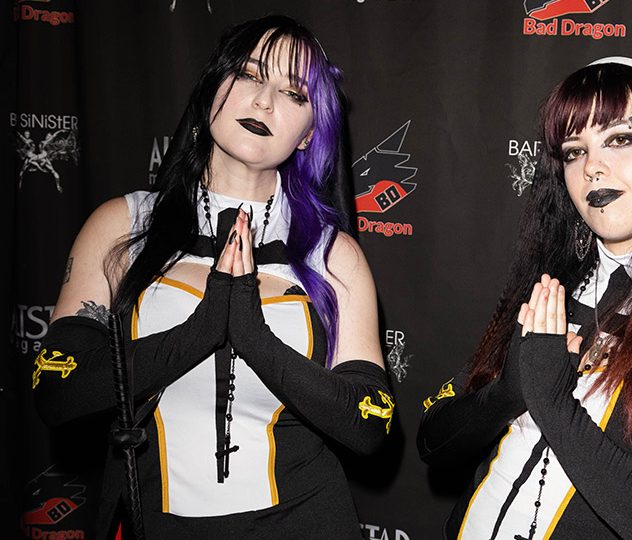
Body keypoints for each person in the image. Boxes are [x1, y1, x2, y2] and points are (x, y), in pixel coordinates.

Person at [34, 14, 392, 539]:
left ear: (309, 134)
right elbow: (58, 391)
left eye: (293, 93)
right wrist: (201, 330)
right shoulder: (122, 226)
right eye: (248, 75)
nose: (264, 102)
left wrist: (252, 336)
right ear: (211, 91)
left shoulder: (334, 256)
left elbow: (368, 424)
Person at [417, 56, 632, 540]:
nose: (592, 167)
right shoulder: (549, 288)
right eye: (574, 151)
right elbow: (433, 441)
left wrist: (552, 399)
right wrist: (507, 392)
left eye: (621, 139)